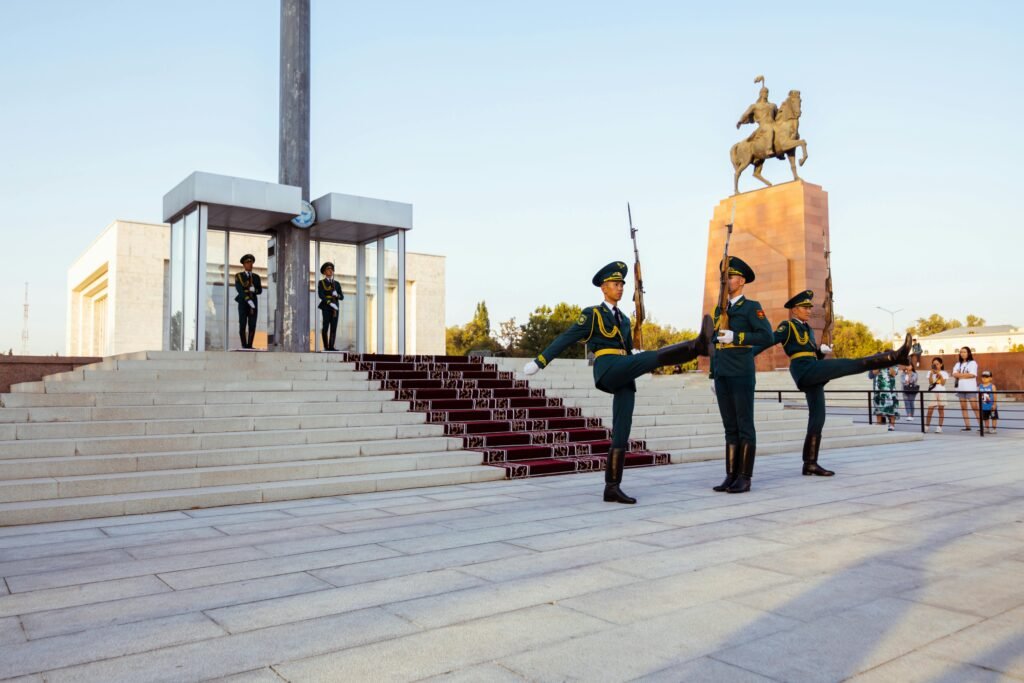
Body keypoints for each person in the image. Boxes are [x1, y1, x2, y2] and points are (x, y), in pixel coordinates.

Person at [523, 261, 715, 504]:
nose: (620, 288)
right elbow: (566, 338)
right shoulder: (592, 314)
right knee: (651, 358)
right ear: (603, 288)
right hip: (608, 368)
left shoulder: (624, 319)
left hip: (625, 370)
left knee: (623, 428)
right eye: (615, 284)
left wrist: (634, 352)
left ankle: (612, 487)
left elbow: (626, 347)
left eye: (622, 284)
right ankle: (696, 346)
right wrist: (540, 361)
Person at [754, 290, 913, 477]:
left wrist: (821, 351)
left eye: (809, 307)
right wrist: (745, 356)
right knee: (850, 364)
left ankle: (810, 464)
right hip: (804, 370)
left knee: (818, 418)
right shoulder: (787, 326)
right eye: (805, 308)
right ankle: (894, 357)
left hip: (814, 368)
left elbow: (812, 353)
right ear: (795, 310)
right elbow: (769, 341)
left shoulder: (807, 330)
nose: (809, 310)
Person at [709, 256, 774, 494]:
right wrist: (712, 375)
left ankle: (745, 477)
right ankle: (731, 475)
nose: (726, 281)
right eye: (724, 277)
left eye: (731, 277)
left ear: (742, 280)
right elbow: (713, 344)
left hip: (741, 371)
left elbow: (767, 337)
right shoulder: (720, 309)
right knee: (729, 426)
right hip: (723, 372)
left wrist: (737, 337)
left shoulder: (751, 307)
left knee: (745, 425)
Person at [234, 254, 262, 349]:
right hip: (243, 301)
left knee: (252, 323)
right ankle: (243, 344)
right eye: (247, 263)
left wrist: (255, 290)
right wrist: (247, 299)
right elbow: (240, 290)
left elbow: (260, 290)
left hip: (253, 302)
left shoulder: (256, 277)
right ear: (244, 265)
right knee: (242, 323)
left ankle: (250, 345)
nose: (250, 264)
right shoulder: (239, 276)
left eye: (251, 263)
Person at [952, 346, 981, 431]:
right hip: (960, 388)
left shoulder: (973, 363)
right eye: (961, 352)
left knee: (974, 407)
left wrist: (960, 375)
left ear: (968, 353)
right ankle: (967, 426)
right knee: (963, 407)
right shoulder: (958, 364)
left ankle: (981, 426)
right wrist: (965, 375)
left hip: (970, 388)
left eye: (964, 352)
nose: (962, 354)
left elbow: (972, 375)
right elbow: (954, 374)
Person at [317, 262, 344, 352]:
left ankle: (331, 347)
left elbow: (342, 297)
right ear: (324, 272)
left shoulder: (336, 284)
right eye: (328, 269)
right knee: (325, 327)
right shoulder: (321, 283)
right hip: (326, 307)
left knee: (334, 327)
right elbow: (321, 295)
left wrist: (337, 295)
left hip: (335, 307)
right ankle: (326, 346)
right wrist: (329, 302)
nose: (330, 271)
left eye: (332, 269)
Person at [925, 357, 949, 433]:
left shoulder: (944, 373)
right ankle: (927, 426)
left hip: (941, 392)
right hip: (933, 392)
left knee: (941, 409)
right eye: (934, 364)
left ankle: (939, 427)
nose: (936, 365)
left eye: (937, 364)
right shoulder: (930, 372)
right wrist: (932, 374)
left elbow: (943, 383)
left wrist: (940, 374)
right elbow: (931, 383)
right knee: (930, 409)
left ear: (941, 364)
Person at [873, 366, 900, 430]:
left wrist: (888, 365)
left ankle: (892, 424)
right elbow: (874, 372)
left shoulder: (894, 364)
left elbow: (893, 373)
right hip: (879, 389)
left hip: (890, 389)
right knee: (878, 407)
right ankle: (878, 424)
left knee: (891, 407)